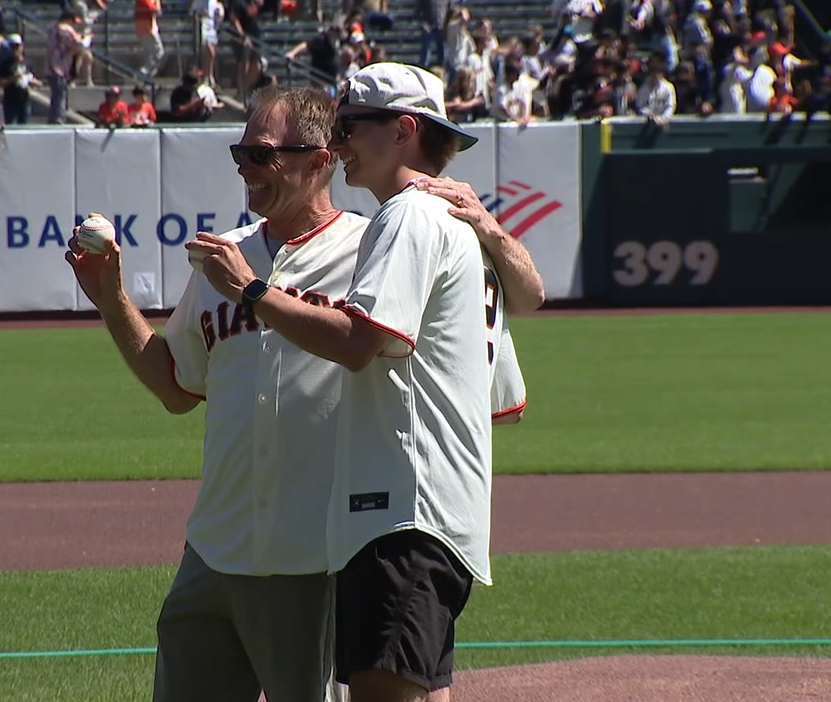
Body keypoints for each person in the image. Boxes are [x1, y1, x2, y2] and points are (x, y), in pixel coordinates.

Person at [66, 84, 541, 702]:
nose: (245, 168)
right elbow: (177, 386)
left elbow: (499, 361)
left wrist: (489, 229)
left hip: (319, 559)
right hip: (214, 548)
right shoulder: (225, 258)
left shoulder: (384, 245)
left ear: (319, 161)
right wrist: (111, 298)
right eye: (239, 153)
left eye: (261, 154)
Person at [186, 63, 507, 702]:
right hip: (433, 515)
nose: (337, 144)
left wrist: (252, 289)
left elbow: (361, 345)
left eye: (350, 126)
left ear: (404, 130)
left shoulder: (408, 219)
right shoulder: (459, 229)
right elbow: (510, 382)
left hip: (403, 517)